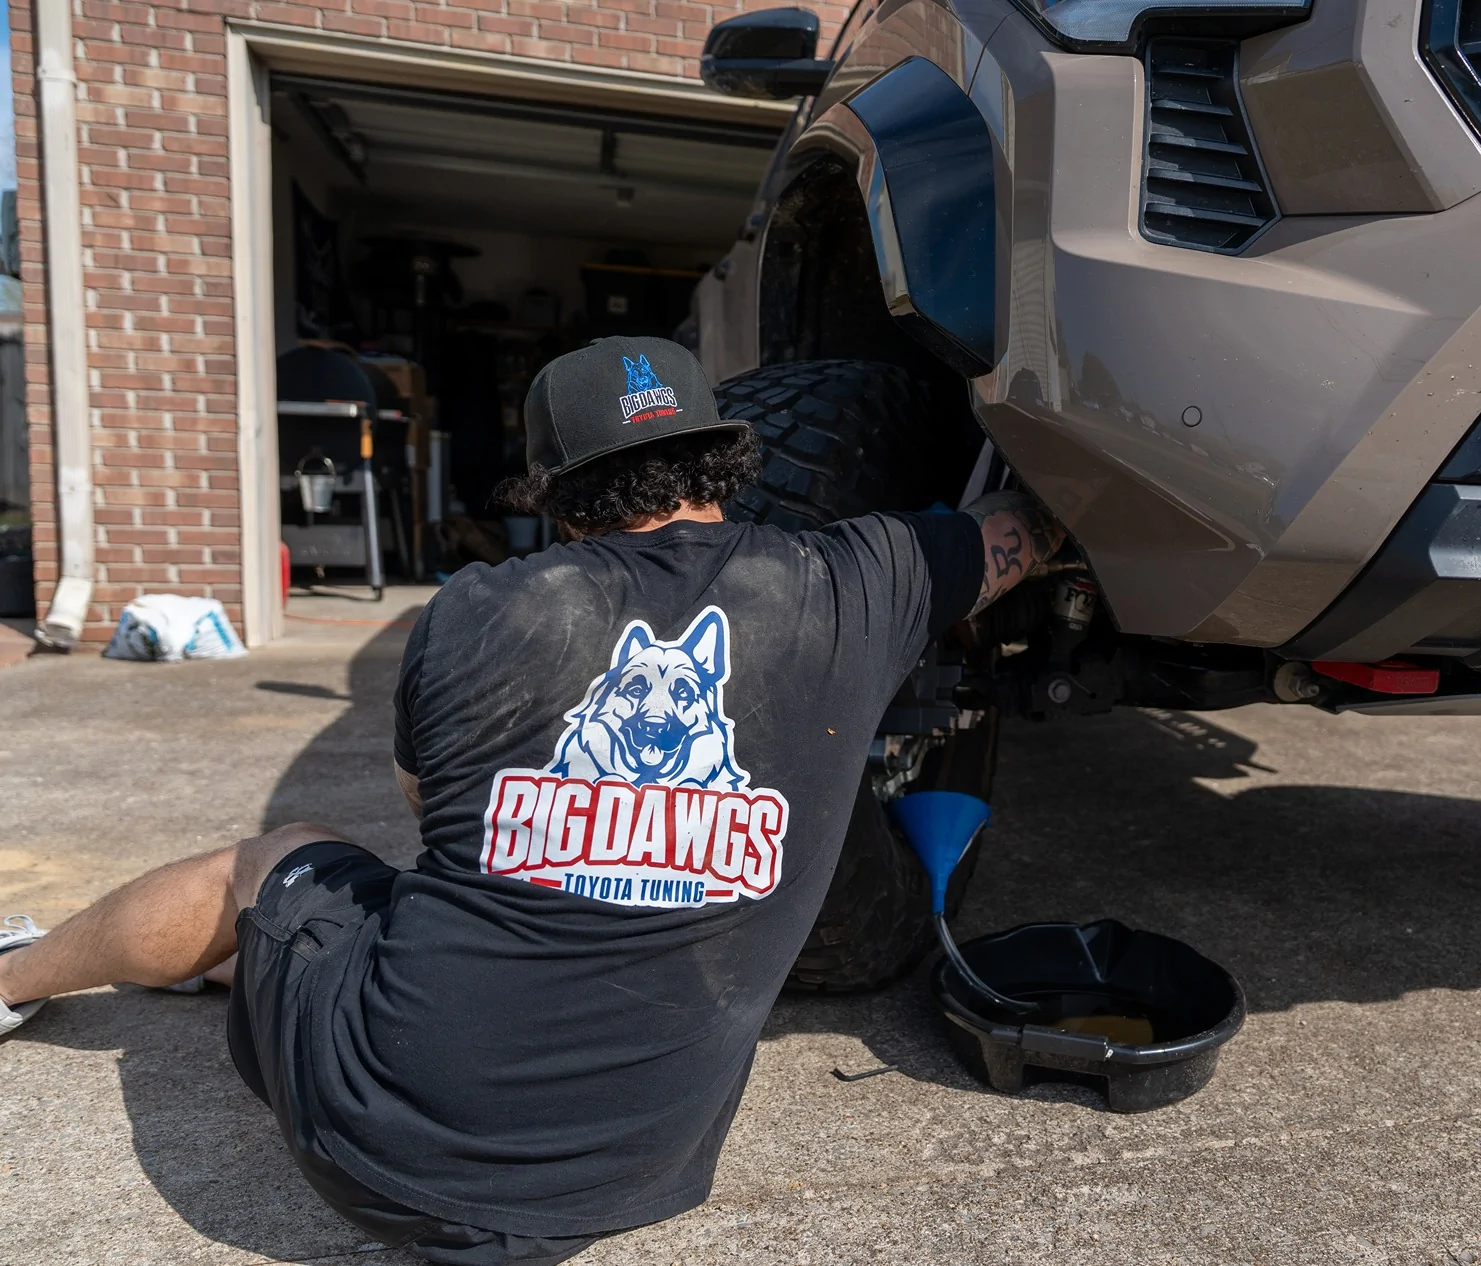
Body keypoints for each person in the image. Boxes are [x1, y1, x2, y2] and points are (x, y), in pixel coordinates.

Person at [0, 336, 1064, 1265]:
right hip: (634, 1174)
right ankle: (242, 961)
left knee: (285, 853)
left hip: (378, 1148)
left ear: (554, 494)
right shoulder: (863, 578)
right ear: (725, 459)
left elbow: (434, 815)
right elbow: (1024, 528)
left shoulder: (474, 610)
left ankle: (18, 975)